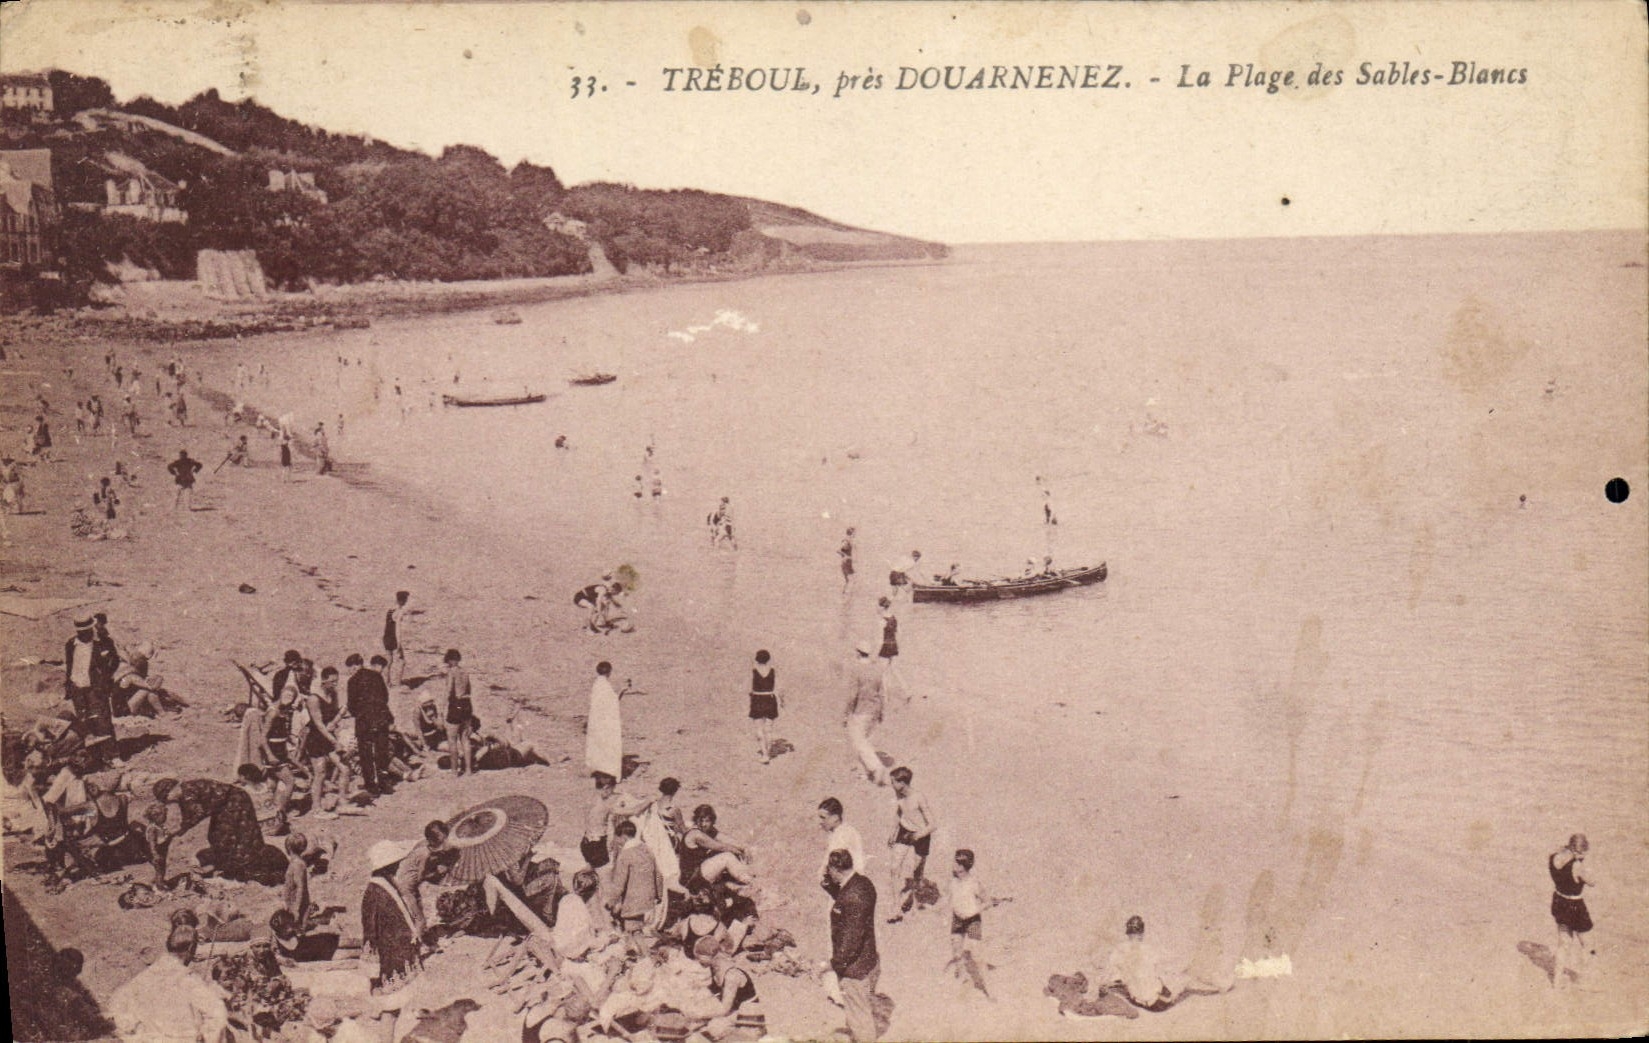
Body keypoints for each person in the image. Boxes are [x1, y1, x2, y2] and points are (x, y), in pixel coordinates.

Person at [107, 925, 231, 1042]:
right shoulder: (189, 981)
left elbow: (116, 1008)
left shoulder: (144, 977)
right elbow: (217, 1015)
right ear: (191, 948)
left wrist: (137, 1035)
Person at [151, 776, 286, 884]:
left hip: (234, 803)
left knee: (232, 837)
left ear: (171, 790)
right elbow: (188, 814)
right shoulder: (185, 792)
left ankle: (242, 865)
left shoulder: (187, 793)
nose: (168, 802)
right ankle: (231, 863)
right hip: (227, 804)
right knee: (218, 836)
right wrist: (181, 829)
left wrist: (180, 830)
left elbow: (197, 813)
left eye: (166, 799)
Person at [823, 849, 884, 1042]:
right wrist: (829, 884)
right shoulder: (863, 883)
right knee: (859, 1013)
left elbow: (851, 939)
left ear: (835, 869)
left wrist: (834, 964)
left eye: (829, 869)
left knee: (861, 1021)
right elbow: (844, 897)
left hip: (855, 969)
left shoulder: (852, 897)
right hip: (869, 960)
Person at [362, 839, 423, 992]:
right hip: (390, 944)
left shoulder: (383, 884)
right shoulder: (379, 891)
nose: (398, 866)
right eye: (395, 863)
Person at [945, 848, 1005, 997]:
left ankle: (988, 990)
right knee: (956, 950)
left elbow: (987, 901)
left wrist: (974, 910)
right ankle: (963, 979)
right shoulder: (953, 881)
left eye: (956, 862)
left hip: (972, 920)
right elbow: (948, 899)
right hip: (958, 919)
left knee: (977, 956)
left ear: (962, 865)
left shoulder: (973, 882)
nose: (953, 864)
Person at [64, 618, 118, 767]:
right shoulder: (71, 644)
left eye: (87, 631)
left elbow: (115, 661)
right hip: (77, 688)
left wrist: (104, 678)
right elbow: (69, 665)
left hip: (95, 688)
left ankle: (112, 755)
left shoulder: (102, 643)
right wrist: (68, 686)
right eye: (81, 632)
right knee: (85, 723)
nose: (84, 634)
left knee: (103, 721)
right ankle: (95, 757)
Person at [884, 767, 935, 923]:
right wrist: (893, 831)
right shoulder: (898, 794)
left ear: (903, 783)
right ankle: (896, 908)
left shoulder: (919, 797)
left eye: (893, 782)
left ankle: (915, 902)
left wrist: (918, 836)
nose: (891, 784)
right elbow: (899, 811)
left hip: (921, 835)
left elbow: (933, 824)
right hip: (905, 831)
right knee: (894, 867)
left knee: (917, 873)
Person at [608, 818, 666, 943]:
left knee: (633, 931)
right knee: (639, 929)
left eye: (619, 841)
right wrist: (659, 895)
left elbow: (619, 884)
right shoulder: (647, 849)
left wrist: (610, 902)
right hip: (649, 899)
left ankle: (645, 958)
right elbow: (658, 874)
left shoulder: (625, 854)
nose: (619, 844)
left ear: (623, 837)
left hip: (634, 901)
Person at [394, 819, 452, 940]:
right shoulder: (425, 855)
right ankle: (415, 947)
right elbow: (421, 877)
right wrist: (437, 872)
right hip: (406, 888)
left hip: (405, 885)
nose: (444, 843)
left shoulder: (422, 847)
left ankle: (421, 941)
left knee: (417, 915)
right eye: (442, 841)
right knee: (419, 920)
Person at [347, 654, 395, 796]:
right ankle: (384, 783)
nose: (351, 671)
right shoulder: (376, 676)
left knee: (366, 754)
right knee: (382, 752)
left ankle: (371, 786)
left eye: (350, 668)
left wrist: (359, 714)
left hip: (364, 722)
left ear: (355, 665)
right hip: (380, 718)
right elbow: (385, 697)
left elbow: (351, 705)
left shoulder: (352, 681)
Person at [1549, 833, 1594, 989]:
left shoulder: (1554, 857)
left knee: (1564, 943)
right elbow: (1592, 882)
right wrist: (1582, 865)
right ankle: (1585, 981)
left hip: (1559, 901)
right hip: (1575, 906)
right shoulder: (1577, 865)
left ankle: (1556, 981)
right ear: (1578, 851)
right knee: (1588, 945)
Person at [303, 666, 349, 813]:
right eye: (332, 681)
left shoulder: (333, 694)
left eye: (337, 681)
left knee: (345, 769)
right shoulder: (313, 699)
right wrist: (335, 742)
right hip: (316, 739)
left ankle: (342, 802)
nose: (335, 684)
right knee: (320, 773)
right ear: (323, 680)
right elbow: (319, 725)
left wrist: (338, 718)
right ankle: (316, 807)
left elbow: (333, 717)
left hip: (329, 737)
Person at [845, 643, 889, 786]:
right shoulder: (877, 670)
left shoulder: (856, 670)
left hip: (861, 710)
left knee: (859, 743)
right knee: (867, 740)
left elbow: (853, 695)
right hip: (874, 709)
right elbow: (882, 693)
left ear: (858, 653)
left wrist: (846, 713)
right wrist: (882, 711)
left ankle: (876, 767)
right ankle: (866, 773)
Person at [112, 641, 188, 717]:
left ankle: (164, 711)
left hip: (122, 706)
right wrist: (151, 683)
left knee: (151, 691)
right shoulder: (129, 671)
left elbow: (137, 682)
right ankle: (163, 713)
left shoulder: (125, 666)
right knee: (149, 690)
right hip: (123, 710)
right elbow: (139, 681)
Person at [586, 661, 624, 780]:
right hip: (605, 723)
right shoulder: (604, 686)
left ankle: (597, 769)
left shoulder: (597, 684)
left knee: (598, 745)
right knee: (608, 745)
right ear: (609, 672)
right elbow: (613, 703)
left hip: (597, 722)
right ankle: (609, 772)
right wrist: (623, 691)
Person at [817, 797, 867, 883]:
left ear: (835, 817)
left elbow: (835, 866)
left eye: (823, 817)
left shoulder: (843, 834)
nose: (820, 821)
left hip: (849, 884)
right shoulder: (839, 832)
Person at [441, 648, 474, 776]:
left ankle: (454, 771)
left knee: (452, 739)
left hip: (456, 705)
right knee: (465, 739)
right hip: (467, 704)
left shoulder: (451, 672)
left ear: (449, 660)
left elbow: (449, 691)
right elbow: (469, 690)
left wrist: (442, 708)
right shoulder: (465, 672)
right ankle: (468, 770)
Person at [749, 649, 780, 764]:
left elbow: (749, 688)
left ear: (757, 659)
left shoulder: (754, 670)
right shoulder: (772, 670)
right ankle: (769, 752)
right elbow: (779, 687)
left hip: (757, 699)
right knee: (769, 729)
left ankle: (764, 754)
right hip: (770, 699)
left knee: (759, 729)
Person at [583, 771, 618, 869]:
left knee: (591, 871)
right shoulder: (604, 805)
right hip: (598, 843)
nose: (612, 794)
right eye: (612, 790)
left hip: (587, 840)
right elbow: (630, 811)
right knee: (601, 872)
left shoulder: (591, 798)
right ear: (606, 788)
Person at [284, 833, 315, 932]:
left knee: (297, 930)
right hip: (293, 903)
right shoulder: (296, 862)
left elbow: (300, 887)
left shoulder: (297, 865)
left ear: (288, 847)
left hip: (297, 905)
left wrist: (296, 909)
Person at [383, 591, 409, 686]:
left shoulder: (390, 610)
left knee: (388, 661)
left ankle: (386, 682)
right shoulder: (399, 612)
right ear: (403, 600)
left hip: (386, 637)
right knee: (401, 661)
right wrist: (399, 643)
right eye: (405, 600)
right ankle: (397, 683)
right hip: (394, 638)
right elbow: (397, 629)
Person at [839, 527, 856, 591]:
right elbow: (838, 550)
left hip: (848, 563)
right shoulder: (846, 541)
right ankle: (846, 594)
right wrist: (845, 556)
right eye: (854, 533)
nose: (855, 534)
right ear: (851, 533)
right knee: (851, 580)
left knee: (850, 580)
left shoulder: (849, 541)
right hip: (846, 563)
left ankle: (845, 594)